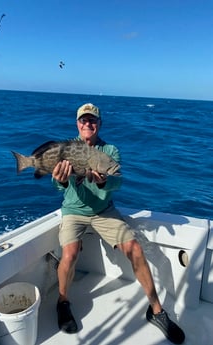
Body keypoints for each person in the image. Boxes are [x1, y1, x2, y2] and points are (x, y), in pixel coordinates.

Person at [51, 103, 185, 344]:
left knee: (135, 250)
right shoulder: (68, 148)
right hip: (73, 211)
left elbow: (117, 180)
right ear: (77, 124)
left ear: (99, 124)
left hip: (104, 211)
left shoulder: (110, 150)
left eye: (92, 120)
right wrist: (59, 180)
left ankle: (156, 311)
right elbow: (59, 184)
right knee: (69, 254)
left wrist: (104, 183)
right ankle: (62, 302)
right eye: (83, 120)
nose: (87, 124)